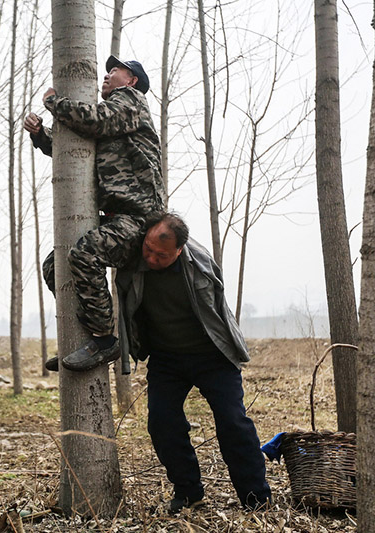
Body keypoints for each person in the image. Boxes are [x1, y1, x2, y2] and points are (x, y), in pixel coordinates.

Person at [115, 211, 272, 513]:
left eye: (161, 255)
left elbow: (220, 313)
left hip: (212, 355)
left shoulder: (199, 263)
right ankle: (189, 493)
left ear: (179, 250)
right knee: (161, 423)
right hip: (166, 358)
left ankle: (256, 498)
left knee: (233, 423)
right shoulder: (132, 259)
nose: (150, 258)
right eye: (148, 249)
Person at [24, 55, 164, 372]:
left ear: (131, 81)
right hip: (117, 216)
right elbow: (78, 149)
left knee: (85, 253)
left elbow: (92, 120)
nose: (108, 73)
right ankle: (85, 341)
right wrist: (40, 135)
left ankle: (104, 340)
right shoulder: (114, 119)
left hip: (140, 218)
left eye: (116, 70)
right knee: (54, 266)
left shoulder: (131, 101)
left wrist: (53, 102)